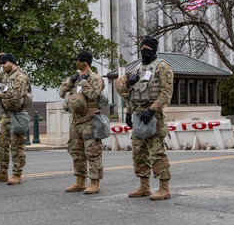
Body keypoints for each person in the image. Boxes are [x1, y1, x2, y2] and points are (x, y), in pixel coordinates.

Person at [115, 36, 174, 200]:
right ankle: (144, 186)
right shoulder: (138, 68)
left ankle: (164, 188)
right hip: (139, 115)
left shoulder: (162, 67)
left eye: (148, 47)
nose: (144, 49)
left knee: (157, 153)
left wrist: (153, 110)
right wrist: (128, 111)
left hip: (154, 117)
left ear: (154, 49)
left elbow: (166, 93)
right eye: (142, 46)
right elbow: (131, 93)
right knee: (138, 152)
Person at [58, 50, 106, 194]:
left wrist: (84, 81)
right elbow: (61, 92)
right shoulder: (74, 78)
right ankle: (80, 181)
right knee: (76, 151)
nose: (77, 62)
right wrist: (70, 80)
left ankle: (95, 183)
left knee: (92, 152)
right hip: (76, 120)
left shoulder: (95, 78)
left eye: (79, 60)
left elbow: (93, 95)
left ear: (86, 62)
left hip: (89, 119)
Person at [0, 52, 32, 185]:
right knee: (1, 145)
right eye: (1, 64)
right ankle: (2, 172)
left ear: (12, 62)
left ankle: (17, 174)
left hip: (17, 114)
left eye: (4, 63)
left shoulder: (20, 77)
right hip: (6, 114)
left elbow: (16, 94)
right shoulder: (6, 75)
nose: (2, 65)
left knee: (17, 145)